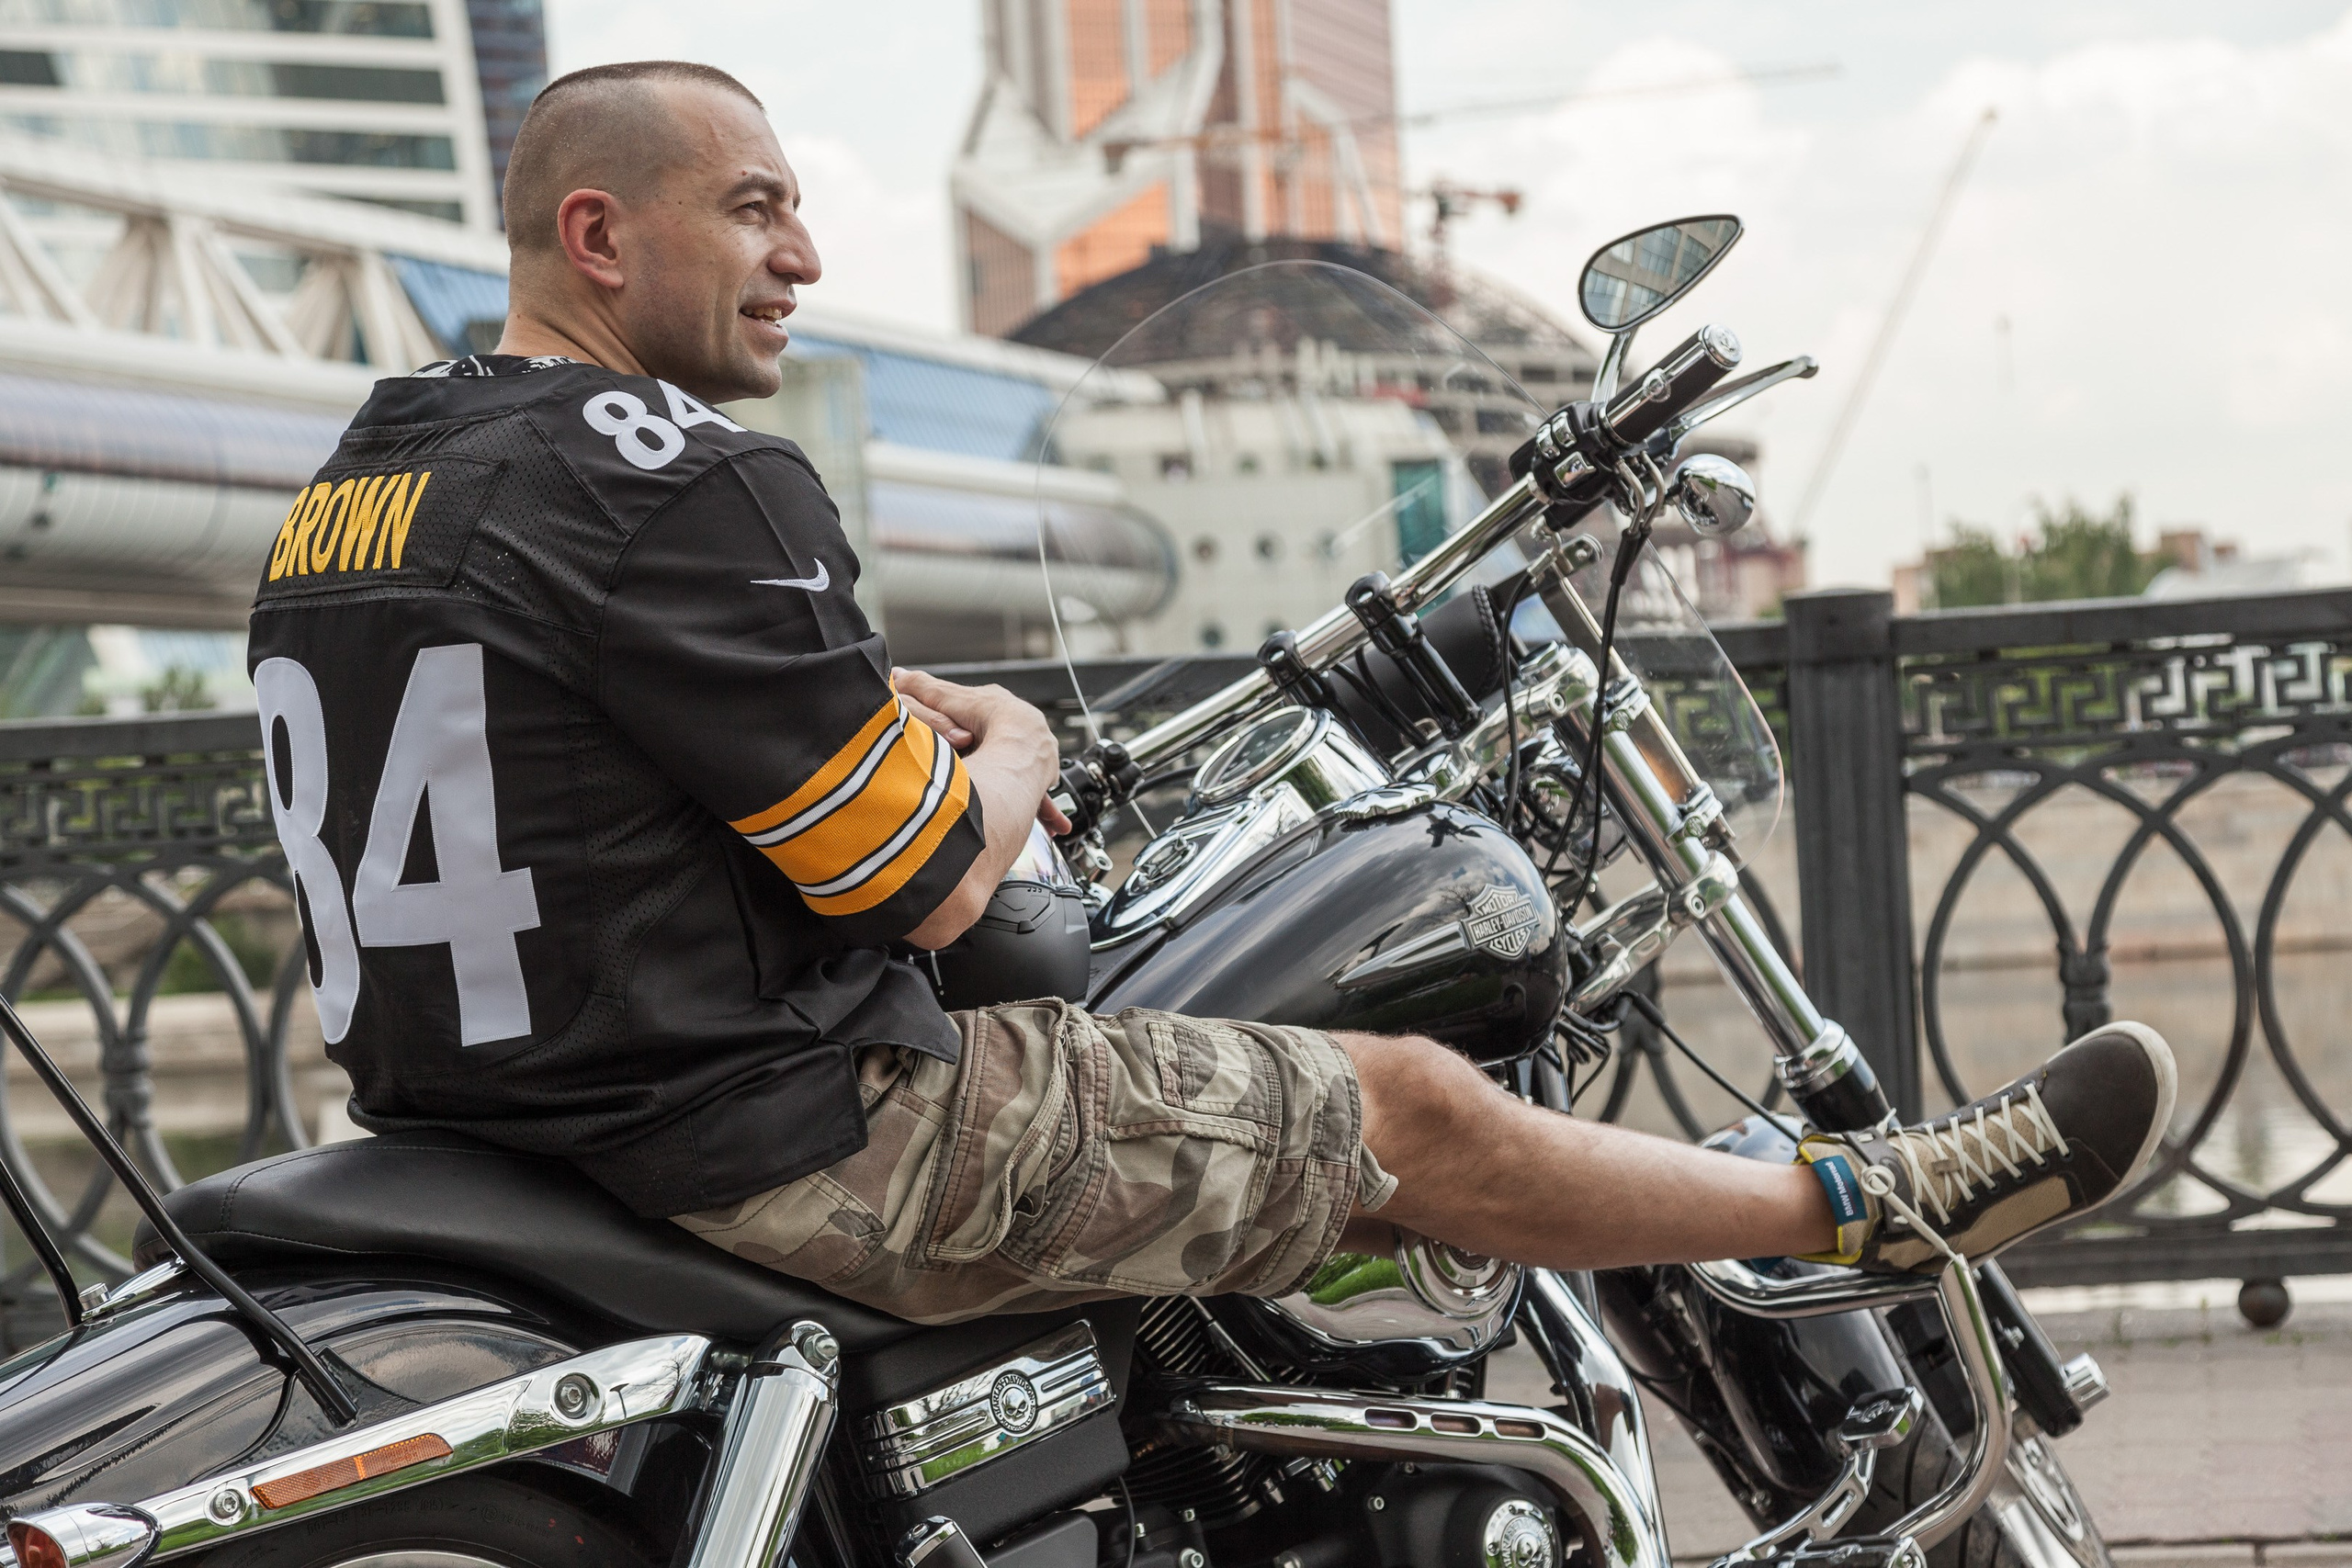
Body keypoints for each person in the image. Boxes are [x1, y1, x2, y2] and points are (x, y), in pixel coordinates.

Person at [247, 60, 2177, 1325]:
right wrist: (1001, 743)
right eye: (752, 208)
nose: (803, 253)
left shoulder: (358, 488)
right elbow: (916, 879)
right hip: (765, 1140)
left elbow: (578, 773)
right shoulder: (682, 476)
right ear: (600, 234)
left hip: (487, 1116)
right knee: (1410, 1106)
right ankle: (1867, 1203)